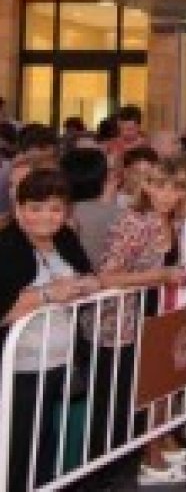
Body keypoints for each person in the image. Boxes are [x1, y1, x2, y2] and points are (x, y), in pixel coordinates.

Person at [92, 158, 186, 485]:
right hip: (122, 322)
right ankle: (116, 471)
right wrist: (159, 276)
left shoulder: (175, 222)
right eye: (160, 186)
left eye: (176, 188)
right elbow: (107, 276)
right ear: (147, 187)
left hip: (156, 316)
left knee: (156, 390)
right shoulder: (134, 221)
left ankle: (151, 455)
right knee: (121, 402)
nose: (168, 195)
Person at [1, 169, 99, 491]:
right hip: (19, 367)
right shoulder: (7, 246)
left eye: (55, 208)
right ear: (19, 209)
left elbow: (87, 275)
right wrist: (47, 294)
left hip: (60, 360)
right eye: (36, 207)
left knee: (44, 442)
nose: (45, 216)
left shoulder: (65, 238)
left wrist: (84, 285)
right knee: (18, 449)